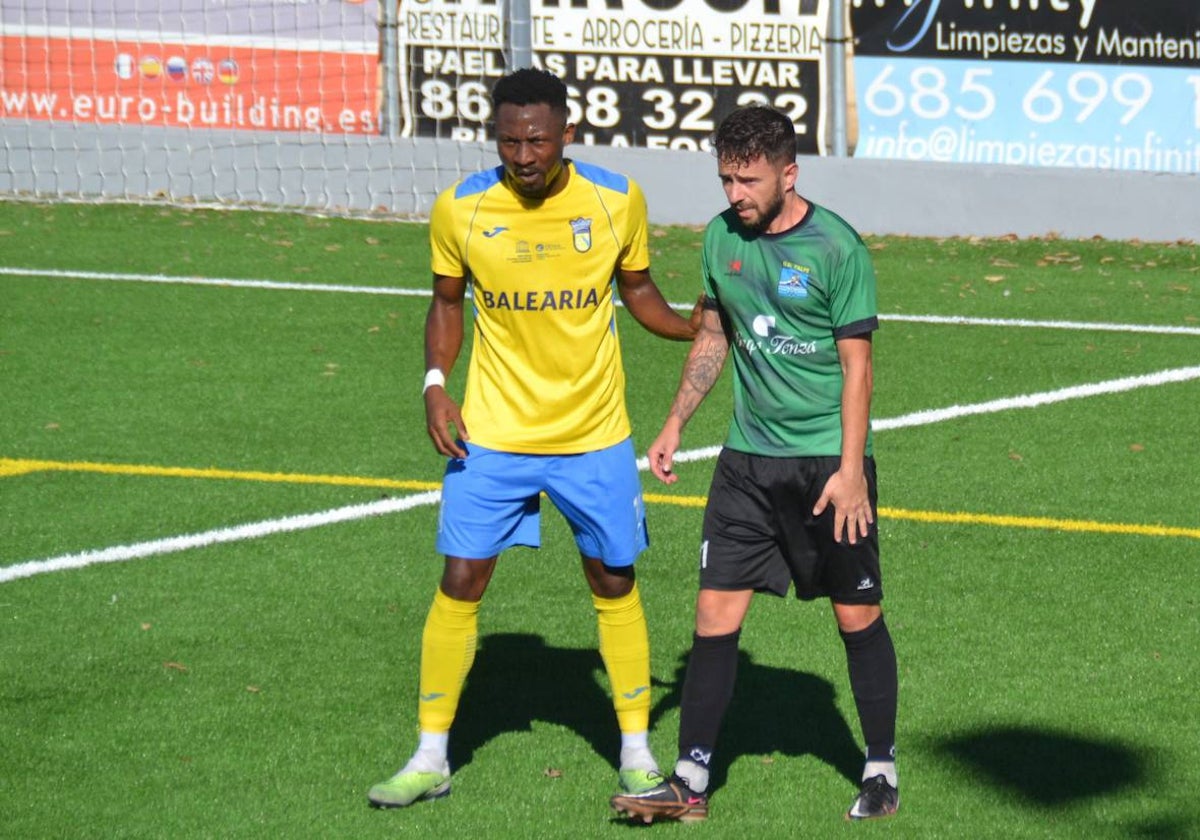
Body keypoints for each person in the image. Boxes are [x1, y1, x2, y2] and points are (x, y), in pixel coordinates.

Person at [367, 67, 700, 809]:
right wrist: (432, 384)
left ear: (566, 135)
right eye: (510, 141)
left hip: (592, 435)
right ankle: (429, 757)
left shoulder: (616, 200)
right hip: (493, 435)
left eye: (538, 141)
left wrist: (688, 327)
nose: (523, 156)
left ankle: (639, 757)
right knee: (460, 579)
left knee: (613, 580)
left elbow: (636, 289)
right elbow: (446, 303)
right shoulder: (461, 209)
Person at [609, 104, 899, 823]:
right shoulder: (718, 238)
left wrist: (851, 468)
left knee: (856, 614)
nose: (734, 194)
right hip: (747, 462)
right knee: (713, 612)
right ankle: (690, 779)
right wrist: (677, 419)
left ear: (788, 173)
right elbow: (713, 330)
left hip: (824, 467)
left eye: (748, 179)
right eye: (725, 178)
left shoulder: (836, 248)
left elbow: (857, 368)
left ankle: (880, 771)